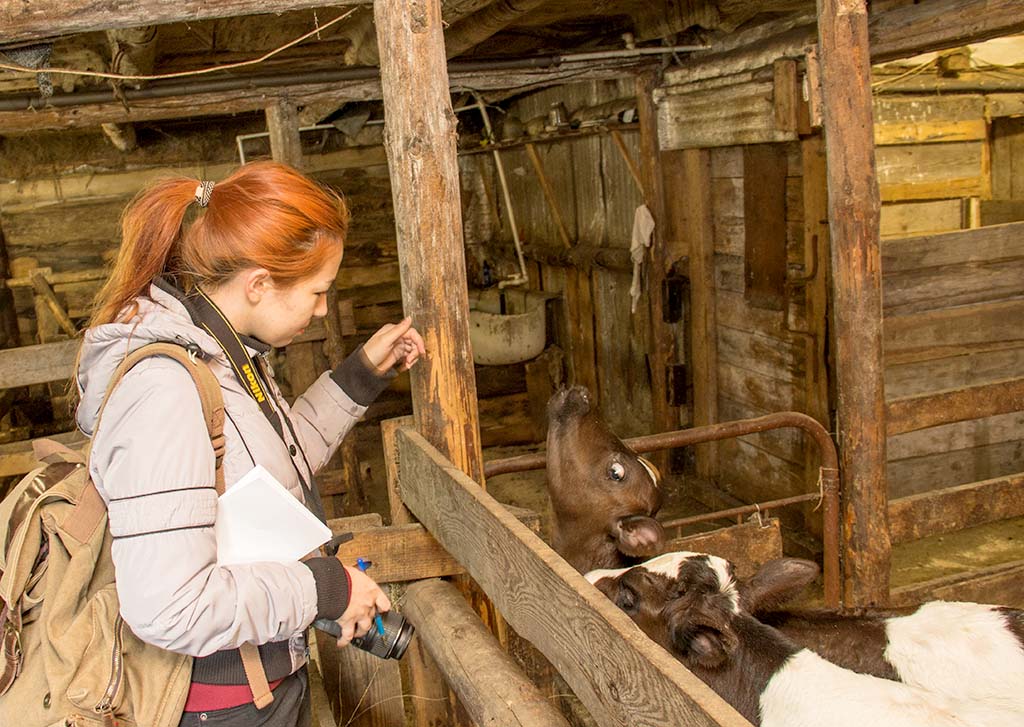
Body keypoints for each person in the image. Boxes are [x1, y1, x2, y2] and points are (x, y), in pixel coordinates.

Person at [74, 160, 425, 727]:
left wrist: (361, 374)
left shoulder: (222, 354)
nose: (322, 309)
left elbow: (270, 472)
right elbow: (169, 605)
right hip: (223, 710)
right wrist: (325, 589)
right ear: (259, 283)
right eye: (317, 291)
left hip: (263, 685)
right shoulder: (164, 390)